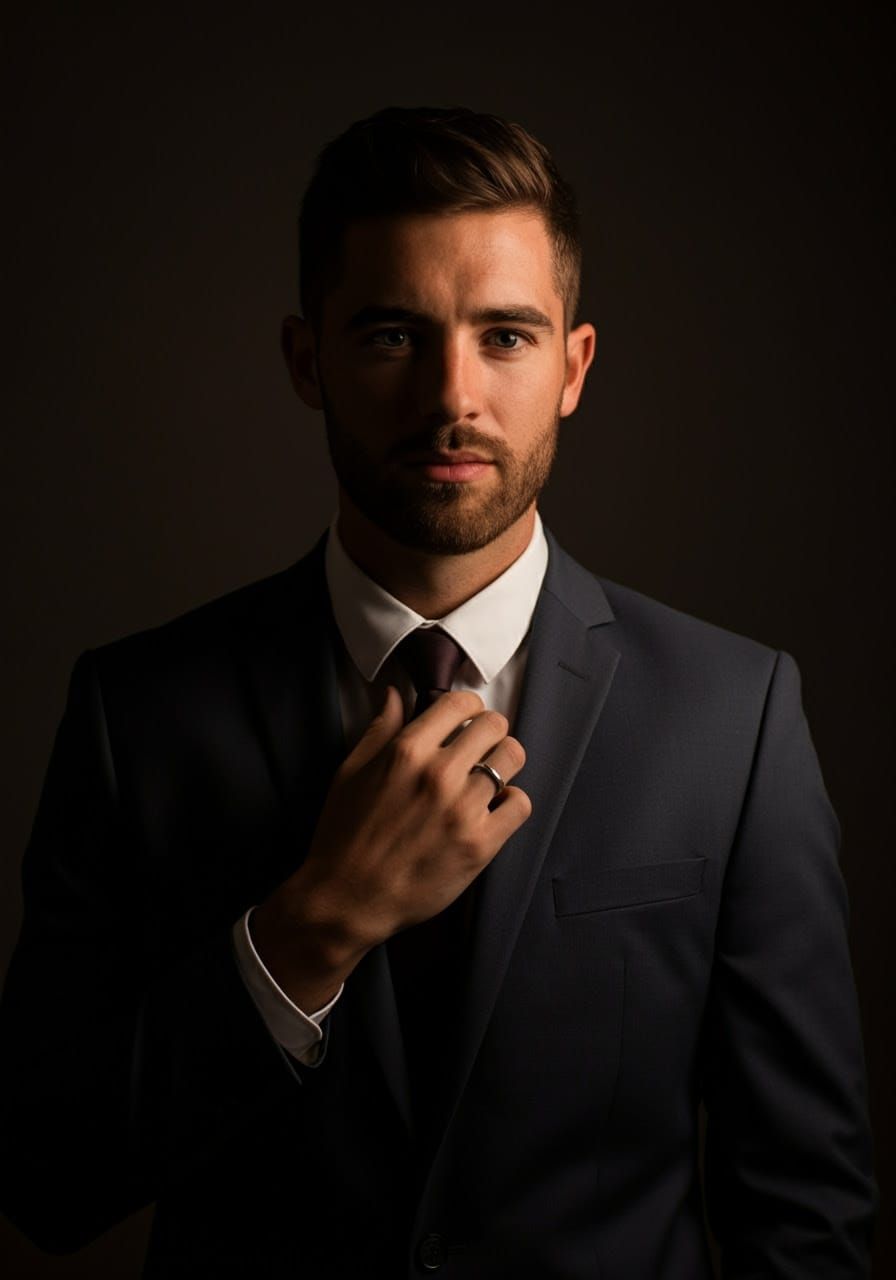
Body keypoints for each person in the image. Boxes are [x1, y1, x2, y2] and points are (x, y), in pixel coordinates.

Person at [0, 106, 876, 1279]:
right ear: (306, 360)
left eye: (505, 336)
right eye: (389, 335)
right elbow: (45, 1178)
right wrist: (307, 932)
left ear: (572, 367)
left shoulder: (735, 717)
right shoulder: (136, 715)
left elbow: (803, 1219)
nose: (450, 395)